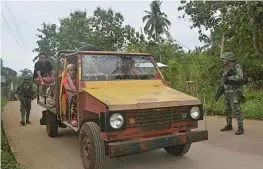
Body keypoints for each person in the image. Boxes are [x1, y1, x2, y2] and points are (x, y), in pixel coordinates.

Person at [220, 52, 244, 135]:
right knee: (227, 109)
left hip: (235, 91)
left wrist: (229, 78)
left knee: (236, 109)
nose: (223, 60)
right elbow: (223, 79)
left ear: (229, 59)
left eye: (224, 59)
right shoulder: (226, 68)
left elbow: (240, 77)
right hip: (227, 91)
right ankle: (229, 125)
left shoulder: (237, 66)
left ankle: (240, 127)